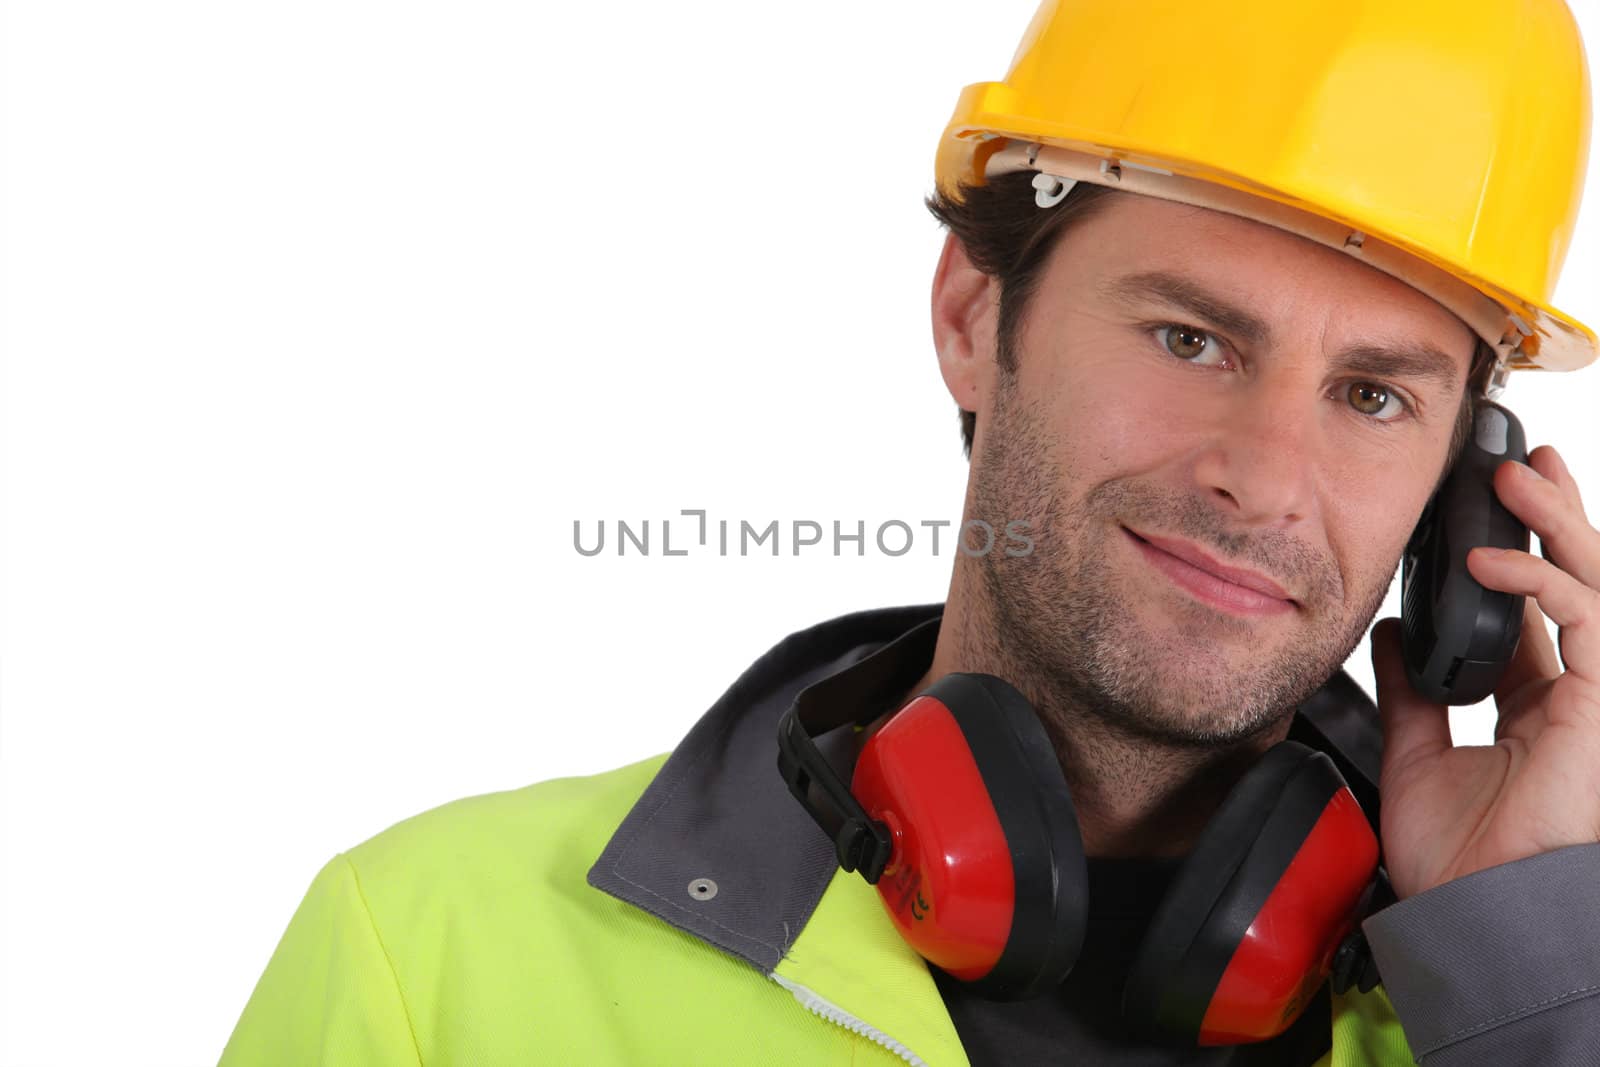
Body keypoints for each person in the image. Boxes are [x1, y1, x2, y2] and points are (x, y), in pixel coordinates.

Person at [219, 0, 1600, 1063]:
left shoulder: (1514, 1005)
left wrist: (1528, 963)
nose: (1268, 482)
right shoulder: (437, 959)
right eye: (1190, 337)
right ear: (972, 317)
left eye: (1373, 394)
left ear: (1466, 487)